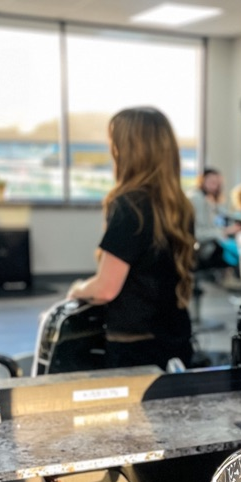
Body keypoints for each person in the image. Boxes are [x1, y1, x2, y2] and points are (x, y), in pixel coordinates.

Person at [68, 107, 196, 370]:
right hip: (175, 337)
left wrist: (78, 290)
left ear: (128, 150)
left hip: (134, 346)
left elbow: (105, 288)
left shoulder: (131, 206)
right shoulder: (179, 206)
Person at [188, 167, 241, 271]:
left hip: (207, 244)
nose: (215, 186)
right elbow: (198, 233)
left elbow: (223, 213)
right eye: (212, 182)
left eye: (217, 183)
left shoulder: (206, 198)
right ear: (202, 181)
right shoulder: (196, 198)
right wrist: (224, 231)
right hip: (202, 248)